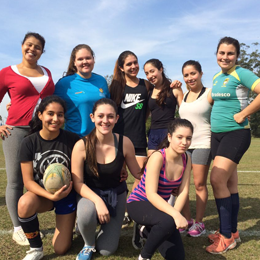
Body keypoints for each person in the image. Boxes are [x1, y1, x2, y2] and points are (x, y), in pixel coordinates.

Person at [206, 36, 260, 254]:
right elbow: (208, 101)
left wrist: (244, 113)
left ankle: (226, 238)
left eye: (230, 53)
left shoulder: (242, 73)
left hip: (236, 134)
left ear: (237, 56)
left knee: (216, 179)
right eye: (221, 53)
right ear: (216, 54)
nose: (225, 57)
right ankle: (232, 231)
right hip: (216, 135)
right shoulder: (217, 77)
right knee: (230, 186)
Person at [0, 32, 55, 246]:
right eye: (29, 45)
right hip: (15, 131)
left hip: (41, 132)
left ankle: (31, 221)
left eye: (37, 47)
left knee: (40, 178)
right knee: (15, 181)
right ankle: (17, 228)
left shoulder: (48, 72)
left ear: (42, 51)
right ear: (22, 46)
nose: (32, 49)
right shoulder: (7, 72)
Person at [71, 98, 141, 260]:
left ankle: (98, 226)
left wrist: (163, 167)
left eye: (110, 116)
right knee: (87, 213)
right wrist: (98, 202)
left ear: (117, 118)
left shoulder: (125, 142)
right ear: (92, 117)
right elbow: (78, 183)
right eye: (100, 116)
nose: (105, 121)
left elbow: (138, 174)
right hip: (89, 194)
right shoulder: (81, 145)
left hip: (116, 195)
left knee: (107, 250)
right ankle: (88, 243)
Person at [17, 96, 79, 260]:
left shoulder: (72, 140)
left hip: (67, 196)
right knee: (24, 203)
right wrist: (51, 196)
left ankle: (77, 222)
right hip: (43, 196)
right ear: (40, 115)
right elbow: (28, 181)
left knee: (60, 249)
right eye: (50, 114)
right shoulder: (29, 142)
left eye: (60, 115)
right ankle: (36, 248)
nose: (55, 119)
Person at [127, 118, 193, 260]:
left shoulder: (187, 157)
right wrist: (175, 216)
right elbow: (151, 194)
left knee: (177, 257)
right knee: (168, 221)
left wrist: (176, 214)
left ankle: (146, 231)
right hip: (138, 203)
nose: (184, 142)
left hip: (160, 209)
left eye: (188, 138)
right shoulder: (158, 157)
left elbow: (183, 191)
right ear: (169, 137)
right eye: (179, 137)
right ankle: (144, 256)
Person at [109, 50, 151, 227]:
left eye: (135, 62)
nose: (133, 66)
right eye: (129, 64)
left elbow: (153, 104)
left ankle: (131, 209)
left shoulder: (146, 85)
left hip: (139, 139)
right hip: (118, 139)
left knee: (141, 178)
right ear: (121, 67)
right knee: (118, 177)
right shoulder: (115, 87)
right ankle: (120, 211)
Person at [178, 60, 213, 237]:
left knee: (199, 184)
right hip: (184, 147)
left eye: (193, 73)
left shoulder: (210, 93)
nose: (190, 78)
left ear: (200, 73)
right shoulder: (183, 96)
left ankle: (199, 223)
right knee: (181, 185)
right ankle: (187, 220)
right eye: (186, 75)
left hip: (203, 144)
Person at [54, 44, 110, 137]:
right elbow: (51, 108)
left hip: (100, 138)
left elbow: (108, 108)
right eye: (80, 59)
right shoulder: (64, 83)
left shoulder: (101, 81)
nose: (85, 62)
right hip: (74, 139)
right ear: (74, 62)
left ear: (93, 59)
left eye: (88, 58)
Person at [144, 58, 183, 156]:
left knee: (168, 168)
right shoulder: (149, 91)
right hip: (153, 134)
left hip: (169, 133)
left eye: (152, 71)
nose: (150, 76)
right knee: (151, 166)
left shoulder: (174, 89)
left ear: (160, 69)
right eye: (147, 73)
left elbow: (184, 112)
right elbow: (146, 115)